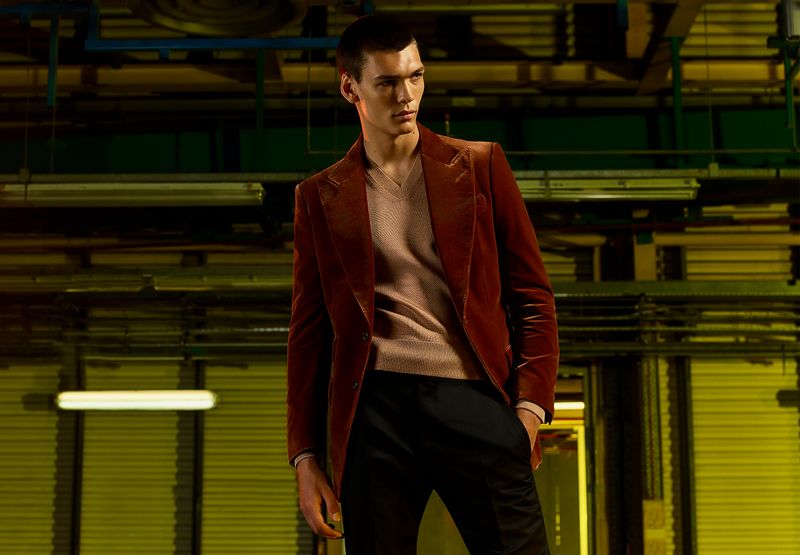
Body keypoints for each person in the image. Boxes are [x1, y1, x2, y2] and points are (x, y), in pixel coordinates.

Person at [286, 13, 559, 555]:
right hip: (374, 412)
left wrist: (530, 409)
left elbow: (533, 297)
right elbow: (308, 334)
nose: (406, 95)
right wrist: (306, 455)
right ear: (350, 88)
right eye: (387, 82)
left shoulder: (480, 165)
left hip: (474, 398)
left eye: (415, 76)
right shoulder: (319, 196)